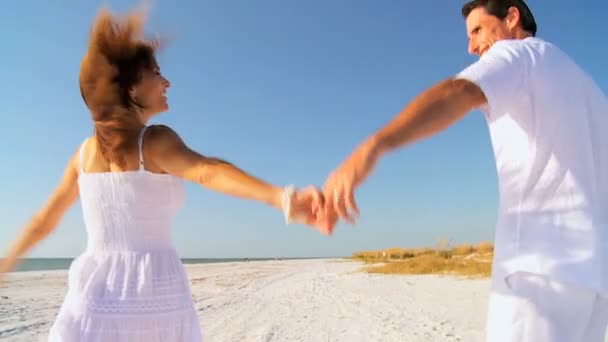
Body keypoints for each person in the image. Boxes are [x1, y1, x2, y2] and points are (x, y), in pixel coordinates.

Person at [0, 7, 335, 341]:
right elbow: (207, 171)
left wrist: (8, 261)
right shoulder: (154, 141)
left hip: (93, 296)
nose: (167, 82)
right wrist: (282, 198)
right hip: (152, 294)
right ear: (131, 89)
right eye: (157, 73)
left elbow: (45, 219)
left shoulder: (83, 155)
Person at [322, 1, 608, 341]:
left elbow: (458, 91)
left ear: (512, 17)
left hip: (536, 271)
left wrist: (376, 145)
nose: (472, 47)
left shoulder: (516, 56)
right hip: (593, 280)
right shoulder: (587, 87)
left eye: (477, 30)